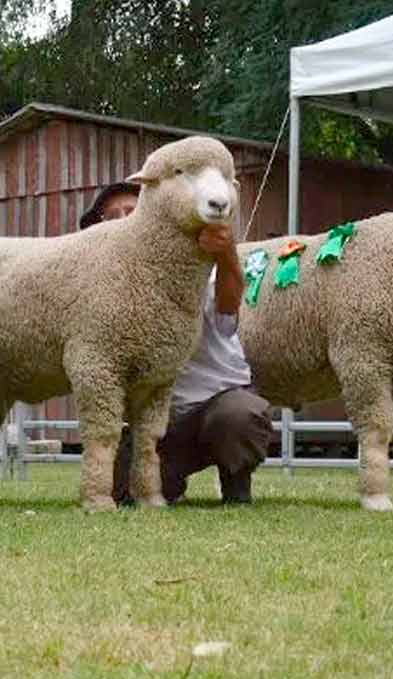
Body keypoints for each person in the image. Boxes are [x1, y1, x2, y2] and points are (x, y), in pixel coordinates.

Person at [79, 182, 275, 505]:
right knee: (124, 492)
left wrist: (226, 254)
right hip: (158, 420)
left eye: (131, 212)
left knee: (239, 418)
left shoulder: (193, 264)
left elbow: (227, 315)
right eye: (110, 217)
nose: (123, 220)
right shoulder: (104, 289)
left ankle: (236, 482)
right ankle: (170, 482)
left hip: (218, 400)